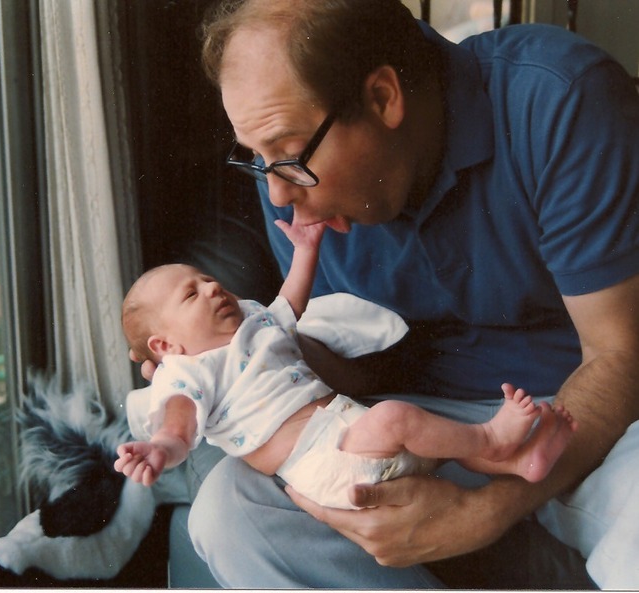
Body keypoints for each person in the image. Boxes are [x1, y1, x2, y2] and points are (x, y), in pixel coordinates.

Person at [158, 0, 639, 588]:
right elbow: (351, 373)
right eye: (258, 159)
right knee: (234, 510)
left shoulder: (558, 100)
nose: (277, 196)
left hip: (585, 411)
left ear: (384, 98)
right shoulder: (291, 181)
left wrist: (486, 511)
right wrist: (233, 357)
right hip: (416, 420)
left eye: (285, 153)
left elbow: (618, 352)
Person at [116, 219, 576, 509]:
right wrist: (159, 450)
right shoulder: (186, 373)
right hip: (320, 463)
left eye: (209, 279)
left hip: (347, 432)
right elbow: (177, 429)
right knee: (396, 417)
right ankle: (493, 440)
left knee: (427, 437)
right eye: (192, 294)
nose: (214, 288)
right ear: (165, 345)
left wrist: (307, 249)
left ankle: (521, 463)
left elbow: (291, 303)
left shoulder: (253, 323)